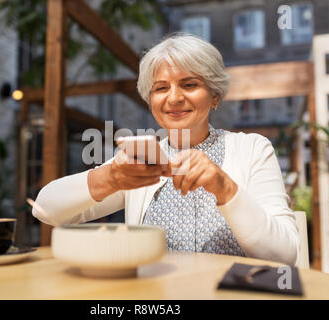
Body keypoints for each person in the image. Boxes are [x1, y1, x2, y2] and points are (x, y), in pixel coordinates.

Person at [32, 34, 300, 266]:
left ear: (215, 95)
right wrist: (111, 177)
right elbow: (46, 209)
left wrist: (224, 187)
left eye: (189, 84)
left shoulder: (252, 149)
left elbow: (283, 256)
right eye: (161, 88)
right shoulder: (141, 160)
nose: (173, 98)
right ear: (151, 101)